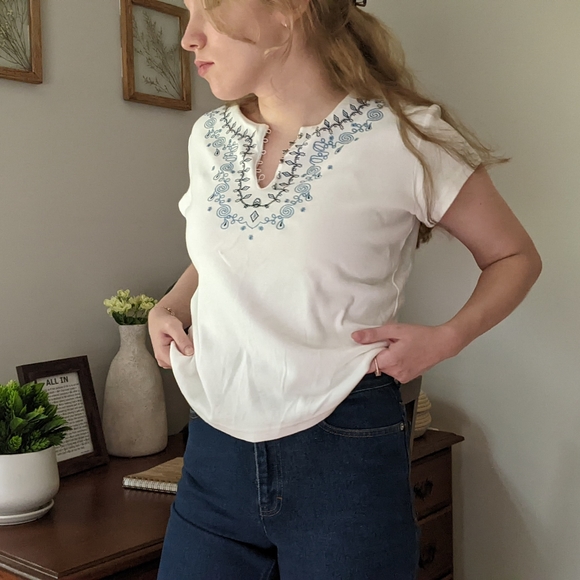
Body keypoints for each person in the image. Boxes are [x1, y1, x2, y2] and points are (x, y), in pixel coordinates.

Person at [148, 0, 542, 578]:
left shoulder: (405, 135)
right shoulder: (209, 138)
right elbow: (230, 254)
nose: (190, 36)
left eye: (211, 5)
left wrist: (446, 338)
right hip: (214, 445)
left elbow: (514, 257)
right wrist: (171, 304)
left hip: (343, 448)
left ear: (290, 8)